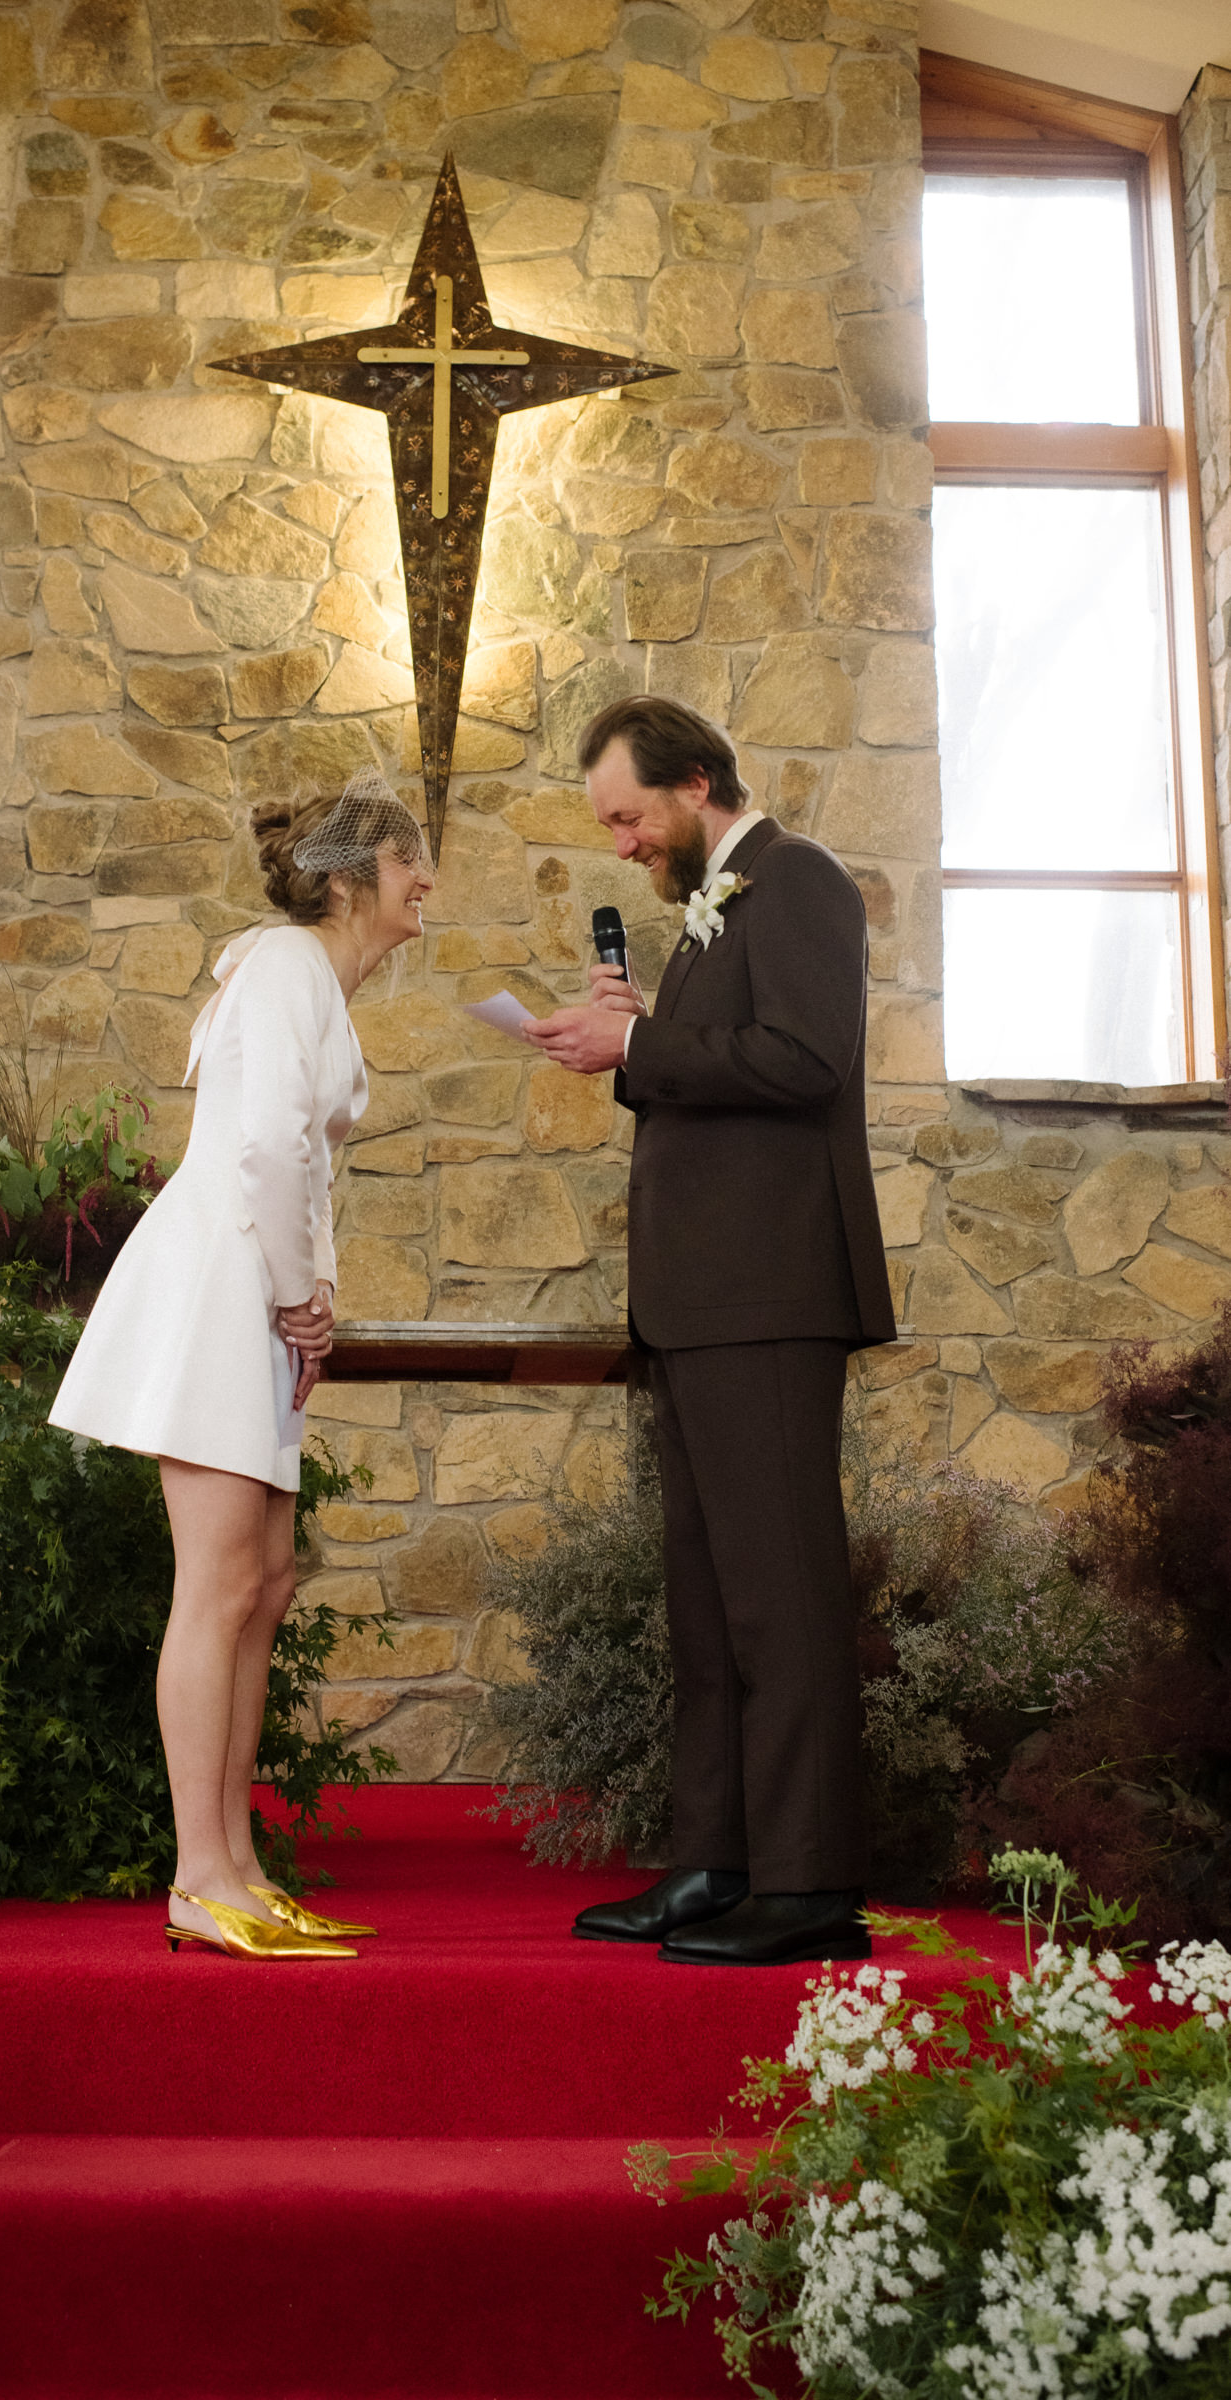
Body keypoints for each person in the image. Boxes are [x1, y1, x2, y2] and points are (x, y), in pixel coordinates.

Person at [526, 697, 895, 1967]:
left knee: (780, 1600)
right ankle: (714, 1862)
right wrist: (638, 1041)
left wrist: (640, 1041)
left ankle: (808, 1888)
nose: (623, 844)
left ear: (694, 785)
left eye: (630, 815)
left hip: (771, 1297)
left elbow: (806, 1061)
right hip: (698, 1306)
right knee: (707, 1600)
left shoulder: (798, 883)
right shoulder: (708, 911)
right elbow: (713, 1066)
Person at [49, 770, 435, 1960]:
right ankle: (198, 1877)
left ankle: (241, 1867)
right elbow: (265, 1145)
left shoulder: (310, 980)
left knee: (262, 1583)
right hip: (224, 1292)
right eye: (411, 859)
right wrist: (292, 1301)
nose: (428, 879)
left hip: (257, 1297)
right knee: (217, 1588)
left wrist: (315, 1297)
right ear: (353, 876)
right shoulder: (281, 963)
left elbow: (302, 1164)